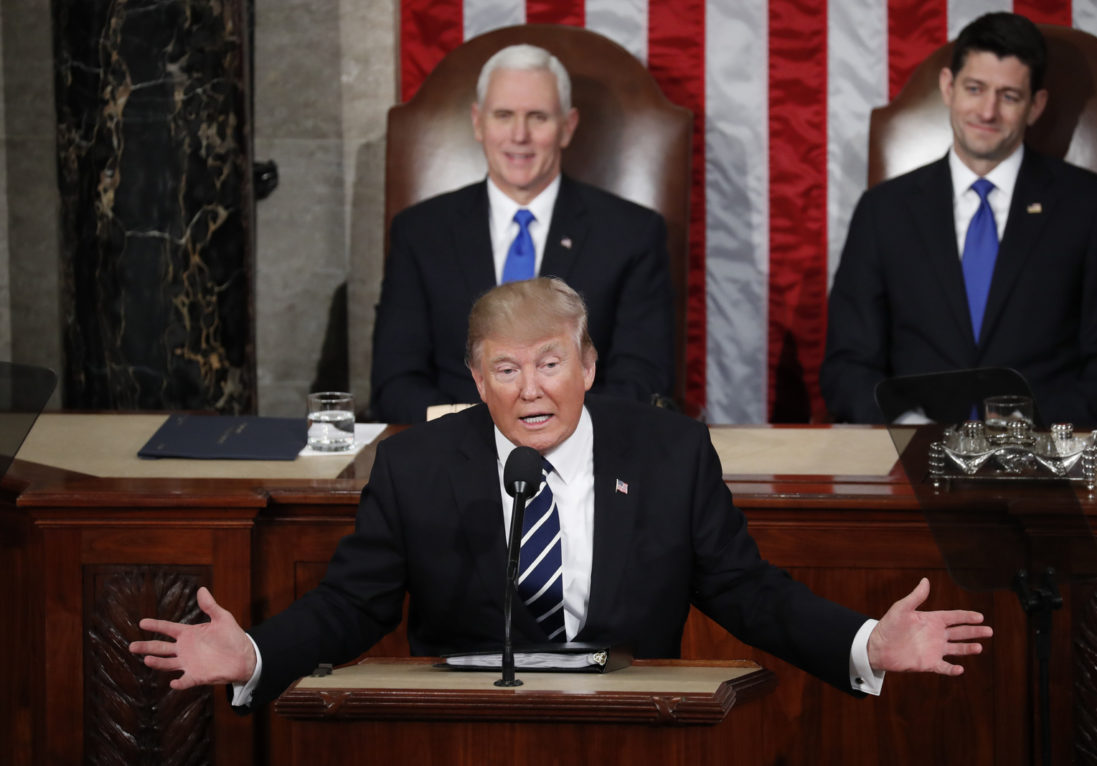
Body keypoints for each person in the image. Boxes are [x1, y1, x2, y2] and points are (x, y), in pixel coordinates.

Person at [131, 277, 991, 709]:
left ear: (587, 366)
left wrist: (866, 643)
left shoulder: (669, 453)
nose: (531, 390)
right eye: (506, 369)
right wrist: (255, 658)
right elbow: (350, 606)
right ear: (477, 378)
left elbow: (746, 590)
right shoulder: (417, 465)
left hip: (634, 722)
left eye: (550, 363)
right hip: (466, 732)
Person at [821, 12, 1097, 428]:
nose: (987, 111)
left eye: (1009, 96)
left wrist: (1034, 433)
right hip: (913, 468)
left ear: (1036, 106)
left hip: (1047, 468)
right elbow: (847, 366)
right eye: (975, 89)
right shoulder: (883, 211)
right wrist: (905, 426)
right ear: (948, 87)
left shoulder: (1095, 208)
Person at [369, 43, 674, 423]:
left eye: (537, 117)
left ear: (568, 126)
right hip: (451, 456)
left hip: (585, 457)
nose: (519, 135)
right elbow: (395, 381)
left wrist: (550, 432)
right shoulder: (420, 232)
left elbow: (642, 379)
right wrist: (479, 436)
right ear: (478, 123)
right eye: (503, 115)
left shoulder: (631, 233)